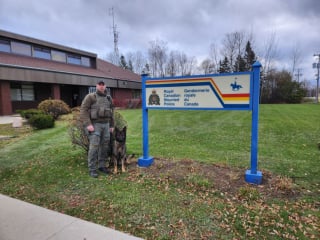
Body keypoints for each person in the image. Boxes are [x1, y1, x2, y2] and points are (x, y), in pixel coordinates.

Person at [80, 80, 114, 178]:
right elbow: (83, 110)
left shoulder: (108, 98)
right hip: (95, 125)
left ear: (105, 86)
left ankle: (102, 166)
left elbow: (112, 112)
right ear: (96, 86)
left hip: (106, 125)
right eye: (100, 85)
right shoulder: (90, 97)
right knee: (94, 147)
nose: (102, 86)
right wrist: (88, 124)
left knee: (104, 146)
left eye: (103, 85)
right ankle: (92, 169)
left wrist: (112, 125)